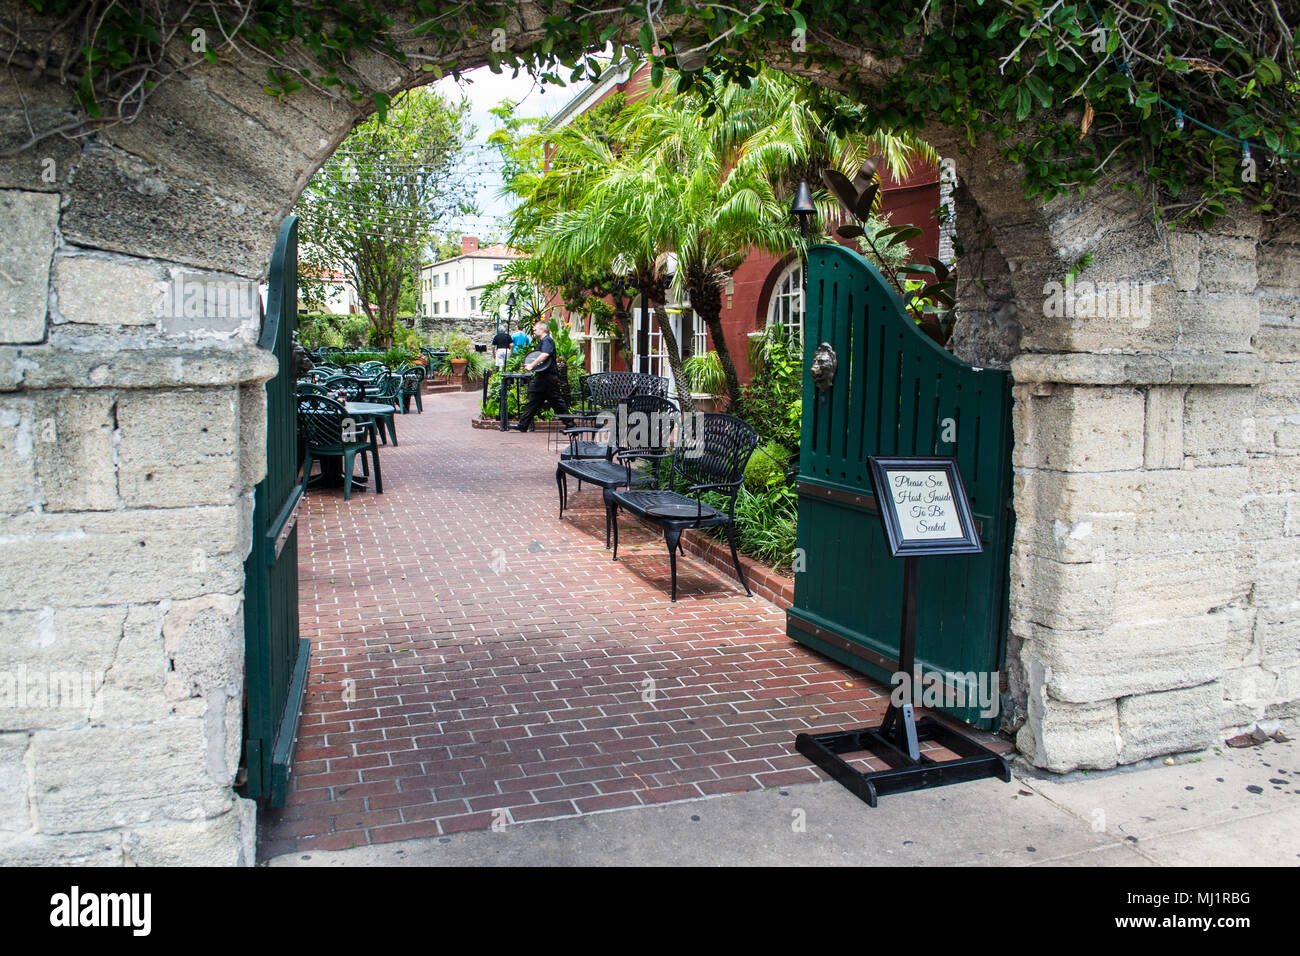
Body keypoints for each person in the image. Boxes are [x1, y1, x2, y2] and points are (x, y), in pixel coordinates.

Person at [513, 319, 569, 432]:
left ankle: (571, 424)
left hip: (548, 378)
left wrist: (531, 365)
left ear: (542, 329)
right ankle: (523, 425)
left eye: (535, 328)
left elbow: (545, 354)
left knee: (556, 402)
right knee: (534, 401)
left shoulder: (547, 340)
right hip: (542, 378)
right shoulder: (543, 341)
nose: (533, 330)